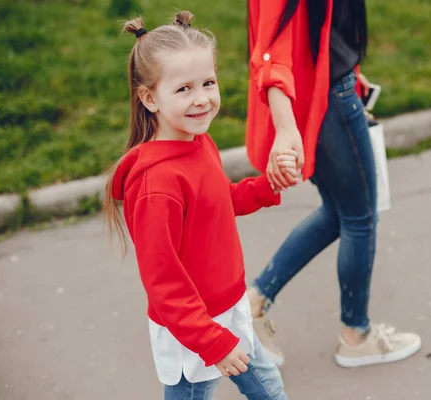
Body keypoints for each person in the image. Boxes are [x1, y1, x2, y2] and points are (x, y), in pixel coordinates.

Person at [102, 11, 297, 399]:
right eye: (184, 89)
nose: (202, 99)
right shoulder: (157, 184)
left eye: (208, 83)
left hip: (230, 308)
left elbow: (218, 201)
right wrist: (213, 342)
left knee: (270, 389)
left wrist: (265, 186)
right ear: (149, 98)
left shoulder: (198, 144)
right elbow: (164, 282)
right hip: (195, 330)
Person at [245, 0, 422, 368]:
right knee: (359, 217)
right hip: (328, 97)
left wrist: (347, 64)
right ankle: (356, 336)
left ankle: (255, 301)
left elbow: (320, 21)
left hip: (329, 83)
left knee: (338, 213)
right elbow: (271, 46)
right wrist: (285, 125)